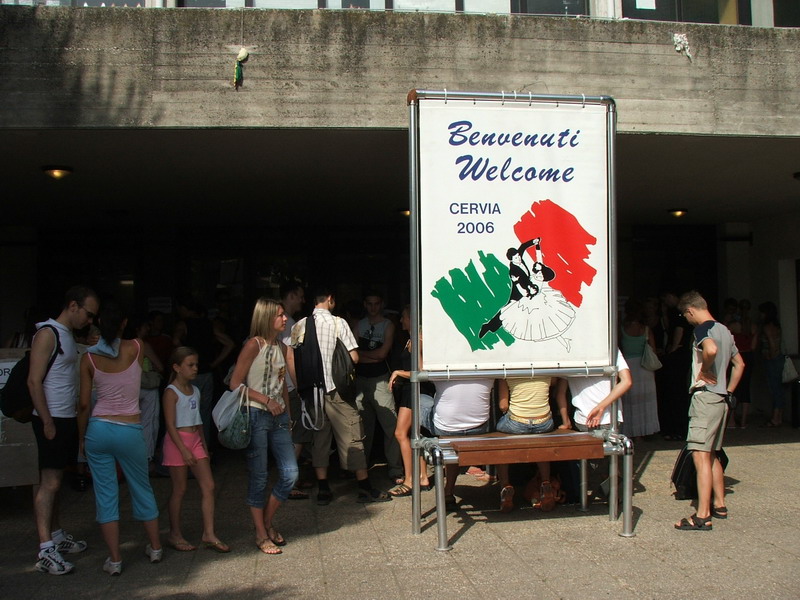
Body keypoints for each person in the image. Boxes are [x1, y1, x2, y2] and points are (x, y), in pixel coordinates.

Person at [77, 302, 163, 575]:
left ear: (99, 324)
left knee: (105, 494)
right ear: (124, 323)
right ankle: (155, 547)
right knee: (142, 487)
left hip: (98, 429)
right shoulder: (137, 347)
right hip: (129, 428)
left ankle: (114, 560)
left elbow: (83, 404)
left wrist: (81, 438)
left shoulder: (89, 358)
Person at [291, 287, 391, 505]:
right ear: (330, 299)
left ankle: (323, 488)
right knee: (353, 435)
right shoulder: (338, 323)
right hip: (336, 390)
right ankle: (364, 487)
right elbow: (354, 357)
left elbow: (294, 359)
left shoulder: (298, 326)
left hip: (311, 393)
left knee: (320, 440)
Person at [28, 286, 98, 575]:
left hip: (65, 415)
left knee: (56, 481)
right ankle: (46, 549)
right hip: (52, 416)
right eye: (88, 314)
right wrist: (47, 420)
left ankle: (55, 535)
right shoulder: (48, 333)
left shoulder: (67, 334)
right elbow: (34, 381)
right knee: (49, 483)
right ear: (73, 306)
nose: (90, 321)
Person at [229, 298, 299, 555]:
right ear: (266, 318)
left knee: (291, 473)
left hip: (279, 416)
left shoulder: (282, 347)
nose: (284, 319)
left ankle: (267, 522)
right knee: (258, 476)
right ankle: (260, 533)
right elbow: (235, 383)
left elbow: (283, 385)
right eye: (280, 315)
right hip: (257, 414)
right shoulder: (253, 345)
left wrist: (288, 415)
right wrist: (266, 400)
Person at [674, 290, 743, 531]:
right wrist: (729, 391)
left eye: (685, 316)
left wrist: (705, 370)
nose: (687, 319)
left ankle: (702, 515)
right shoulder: (725, 330)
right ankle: (719, 504)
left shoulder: (702, 329)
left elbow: (710, 350)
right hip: (721, 398)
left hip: (705, 397)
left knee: (700, 454)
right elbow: (739, 364)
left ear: (690, 311)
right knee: (712, 453)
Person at [162, 346, 229, 554]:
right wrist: (183, 450)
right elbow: (170, 424)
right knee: (180, 489)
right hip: (177, 442)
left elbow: (198, 420)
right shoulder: (171, 392)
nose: (195, 369)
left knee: (209, 485)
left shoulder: (196, 390)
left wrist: (204, 446)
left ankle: (209, 533)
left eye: (196, 365)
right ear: (177, 367)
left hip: (195, 439)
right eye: (190, 365)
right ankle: (174, 533)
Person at [556, 351, 632, 498]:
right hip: (611, 416)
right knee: (611, 463)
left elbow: (560, 392)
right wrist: (602, 407)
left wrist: (565, 420)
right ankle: (614, 497)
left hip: (583, 418)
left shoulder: (568, 350)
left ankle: (603, 495)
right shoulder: (610, 347)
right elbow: (626, 381)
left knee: (591, 465)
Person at [478, 237, 575, 350]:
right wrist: (528, 290)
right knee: (506, 312)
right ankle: (488, 327)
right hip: (520, 293)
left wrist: (535, 242)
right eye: (516, 258)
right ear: (511, 260)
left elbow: (523, 247)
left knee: (542, 319)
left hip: (531, 291)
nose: (519, 258)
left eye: (519, 256)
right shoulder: (513, 270)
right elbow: (522, 288)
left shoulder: (525, 261)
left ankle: (489, 326)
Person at [420, 378, 495, 510]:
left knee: (417, 398)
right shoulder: (487, 369)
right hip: (479, 425)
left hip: (446, 427)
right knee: (451, 439)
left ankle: (421, 466)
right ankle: (505, 484)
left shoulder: (441, 369)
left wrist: (399, 372)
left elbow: (420, 370)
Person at [495, 376, 567, 513]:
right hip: (544, 422)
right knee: (540, 444)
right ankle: (545, 482)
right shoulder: (544, 369)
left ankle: (505, 484)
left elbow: (503, 406)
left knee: (500, 443)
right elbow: (554, 381)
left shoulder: (506, 372)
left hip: (516, 422)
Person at [173, 299, 235, 448]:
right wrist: (214, 363)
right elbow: (230, 344)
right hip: (207, 373)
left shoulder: (183, 324)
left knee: (185, 411)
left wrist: (185, 359)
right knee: (205, 413)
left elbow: (175, 341)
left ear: (186, 308)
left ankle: (186, 446)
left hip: (189, 375)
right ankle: (204, 447)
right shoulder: (209, 325)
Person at [355, 291, 402, 482]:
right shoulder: (359, 324)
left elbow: (382, 354)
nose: (373, 307)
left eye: (376, 303)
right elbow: (352, 355)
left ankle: (395, 468)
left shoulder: (388, 325)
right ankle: (361, 467)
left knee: (390, 425)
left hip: (381, 379)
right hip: (360, 379)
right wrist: (367, 356)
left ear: (381, 304)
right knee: (361, 427)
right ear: (364, 305)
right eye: (369, 303)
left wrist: (361, 355)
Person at [387, 306, 434, 496]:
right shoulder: (413, 339)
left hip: (415, 391)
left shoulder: (417, 341)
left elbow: (422, 371)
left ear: (412, 319)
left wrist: (399, 372)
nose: (401, 321)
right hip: (412, 390)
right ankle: (422, 476)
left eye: (404, 317)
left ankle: (409, 480)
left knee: (400, 433)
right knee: (415, 434)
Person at [280, 281, 313, 500]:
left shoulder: (278, 322)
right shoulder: (289, 324)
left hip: (281, 386)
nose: (303, 300)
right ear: (291, 295)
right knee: (297, 434)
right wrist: (298, 385)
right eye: (300, 296)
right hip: (289, 387)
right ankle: (289, 482)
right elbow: (289, 357)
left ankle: (291, 478)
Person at [619, 298, 660, 440]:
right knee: (646, 401)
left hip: (627, 366)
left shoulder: (622, 329)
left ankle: (632, 433)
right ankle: (645, 431)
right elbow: (653, 349)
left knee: (630, 402)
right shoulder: (646, 329)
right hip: (645, 367)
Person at [727, 299, 757, 428]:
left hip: (736, 356)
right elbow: (753, 346)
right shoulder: (753, 326)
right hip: (748, 356)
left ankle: (731, 421)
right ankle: (744, 422)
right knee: (746, 388)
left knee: (733, 387)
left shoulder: (733, 325)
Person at [758, 301, 784, 427]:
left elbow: (772, 343)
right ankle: (779, 416)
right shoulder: (776, 326)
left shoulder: (767, 327)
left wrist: (771, 356)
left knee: (775, 389)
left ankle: (775, 417)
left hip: (772, 359)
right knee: (778, 388)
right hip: (778, 358)